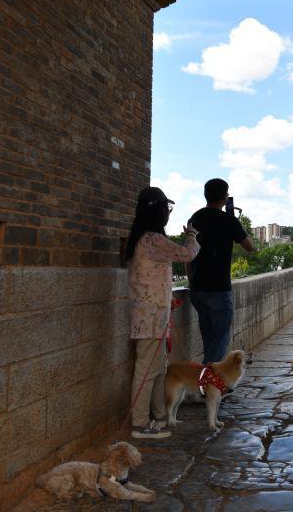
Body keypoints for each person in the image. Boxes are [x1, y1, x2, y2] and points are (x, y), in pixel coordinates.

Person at [125, 187, 200, 439]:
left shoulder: (143, 239)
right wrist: (191, 235)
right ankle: (139, 424)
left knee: (157, 369)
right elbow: (187, 253)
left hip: (153, 317)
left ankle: (158, 416)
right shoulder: (153, 240)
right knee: (146, 371)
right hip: (151, 319)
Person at [187, 179, 255, 365]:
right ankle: (208, 382)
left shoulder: (194, 218)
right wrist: (237, 224)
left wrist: (190, 281)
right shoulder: (228, 220)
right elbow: (249, 246)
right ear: (225, 197)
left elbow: (188, 253)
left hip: (197, 287)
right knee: (220, 340)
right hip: (219, 288)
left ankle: (206, 382)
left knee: (209, 338)